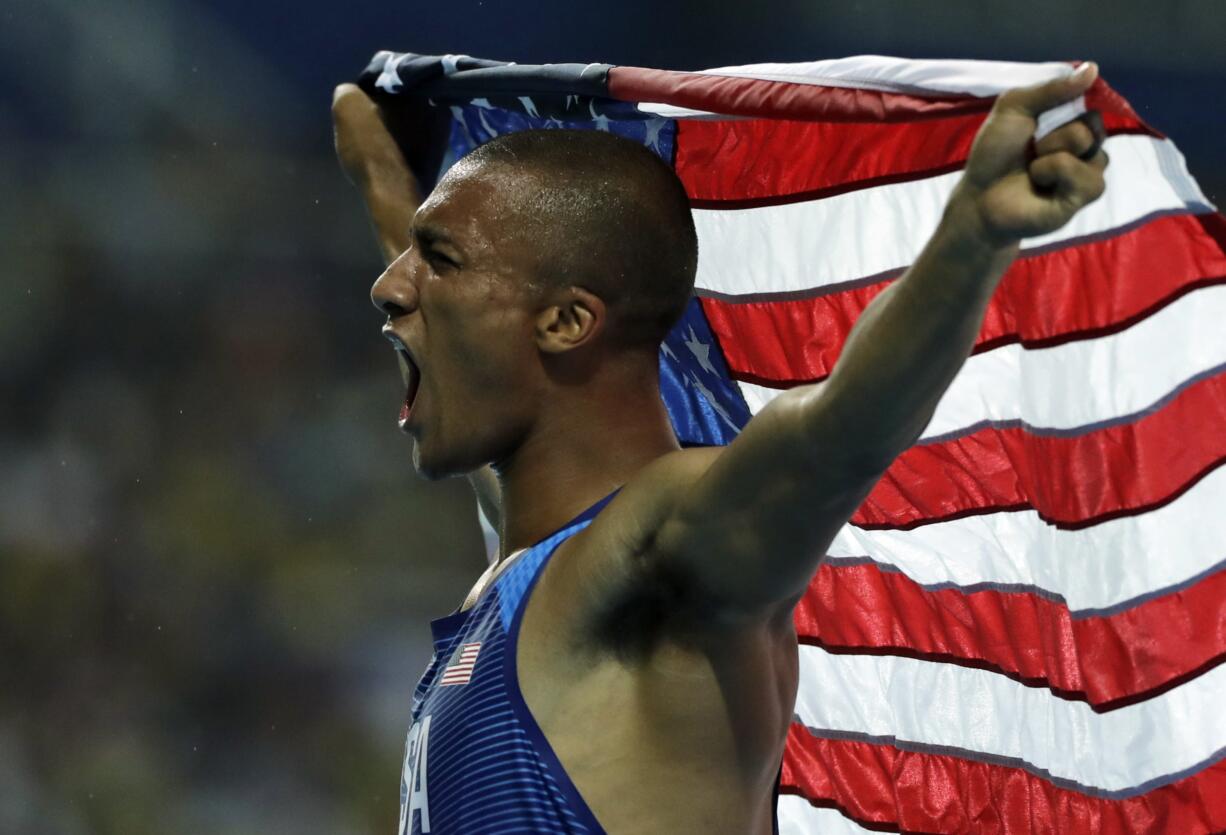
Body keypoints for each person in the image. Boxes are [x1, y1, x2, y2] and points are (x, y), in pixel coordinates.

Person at [332, 61, 1108, 835]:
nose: (391, 286)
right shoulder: (527, 580)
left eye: (438, 258)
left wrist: (973, 235)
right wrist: (376, 153)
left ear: (566, 323)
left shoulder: (658, 555)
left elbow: (839, 434)